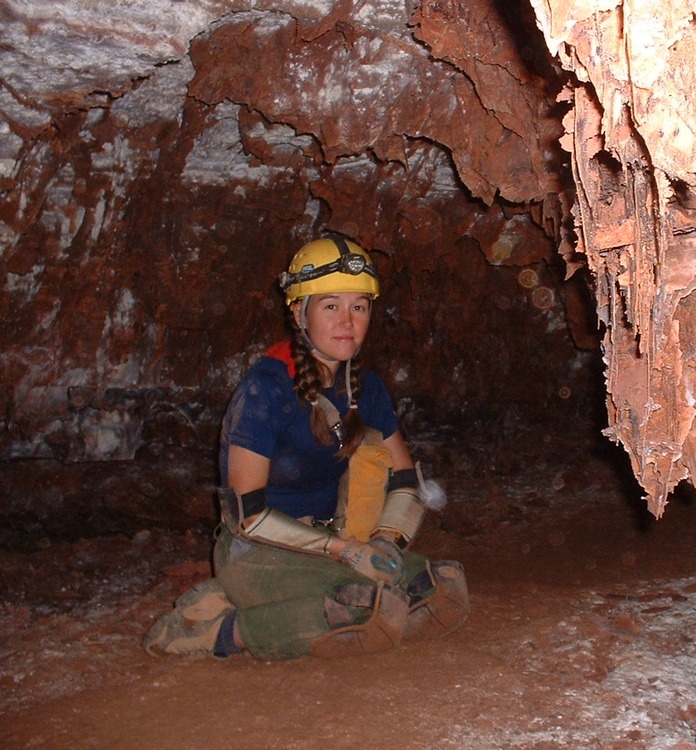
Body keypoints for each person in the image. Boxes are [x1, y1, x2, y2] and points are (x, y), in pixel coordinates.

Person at [143, 233, 469, 659]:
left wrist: (386, 544)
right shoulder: (265, 389)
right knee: (361, 608)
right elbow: (250, 516)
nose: (347, 322)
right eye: (330, 306)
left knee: (441, 589)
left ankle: (298, 604)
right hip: (257, 551)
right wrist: (348, 552)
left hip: (334, 541)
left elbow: (405, 481)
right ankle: (219, 629)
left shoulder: (365, 388)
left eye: (359, 307)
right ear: (300, 312)